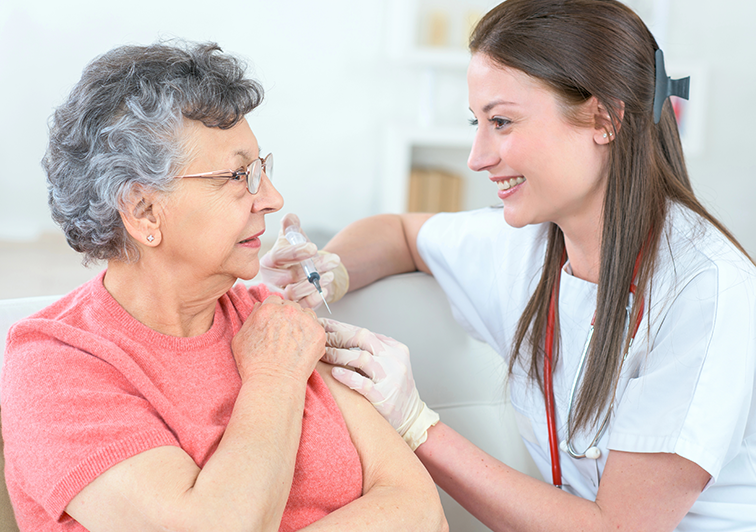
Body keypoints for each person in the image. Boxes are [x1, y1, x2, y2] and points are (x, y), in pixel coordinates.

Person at [260, 0, 756, 532]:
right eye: (476, 122)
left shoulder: (707, 293)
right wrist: (327, 268)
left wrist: (417, 425)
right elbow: (399, 234)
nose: (478, 156)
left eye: (502, 121)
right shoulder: (525, 248)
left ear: (604, 120)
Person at [1, 41, 447, 532]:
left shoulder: (273, 321)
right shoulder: (56, 365)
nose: (272, 199)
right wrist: (274, 379)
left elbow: (420, 512)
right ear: (143, 210)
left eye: (262, 170)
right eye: (239, 176)